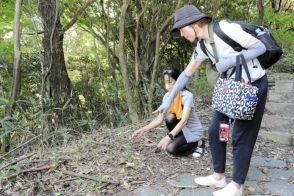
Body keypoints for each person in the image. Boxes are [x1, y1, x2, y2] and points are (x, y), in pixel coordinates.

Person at [156, 5, 268, 196]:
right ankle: (219, 176)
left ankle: (237, 186)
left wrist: (231, 62)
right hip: (229, 89)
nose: (182, 35)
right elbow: (185, 75)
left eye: (182, 31)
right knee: (217, 129)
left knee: (241, 135)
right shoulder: (202, 46)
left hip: (252, 86)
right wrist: (167, 101)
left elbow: (260, 47)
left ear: (193, 25)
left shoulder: (225, 29)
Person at [132, 67, 205, 157]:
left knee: (171, 149)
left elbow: (184, 121)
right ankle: (179, 138)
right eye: (166, 82)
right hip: (181, 130)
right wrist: (142, 130)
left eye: (169, 82)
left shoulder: (187, 96)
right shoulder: (167, 97)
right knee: (169, 118)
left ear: (179, 82)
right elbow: (159, 119)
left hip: (192, 130)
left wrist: (168, 137)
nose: (167, 86)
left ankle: (199, 142)